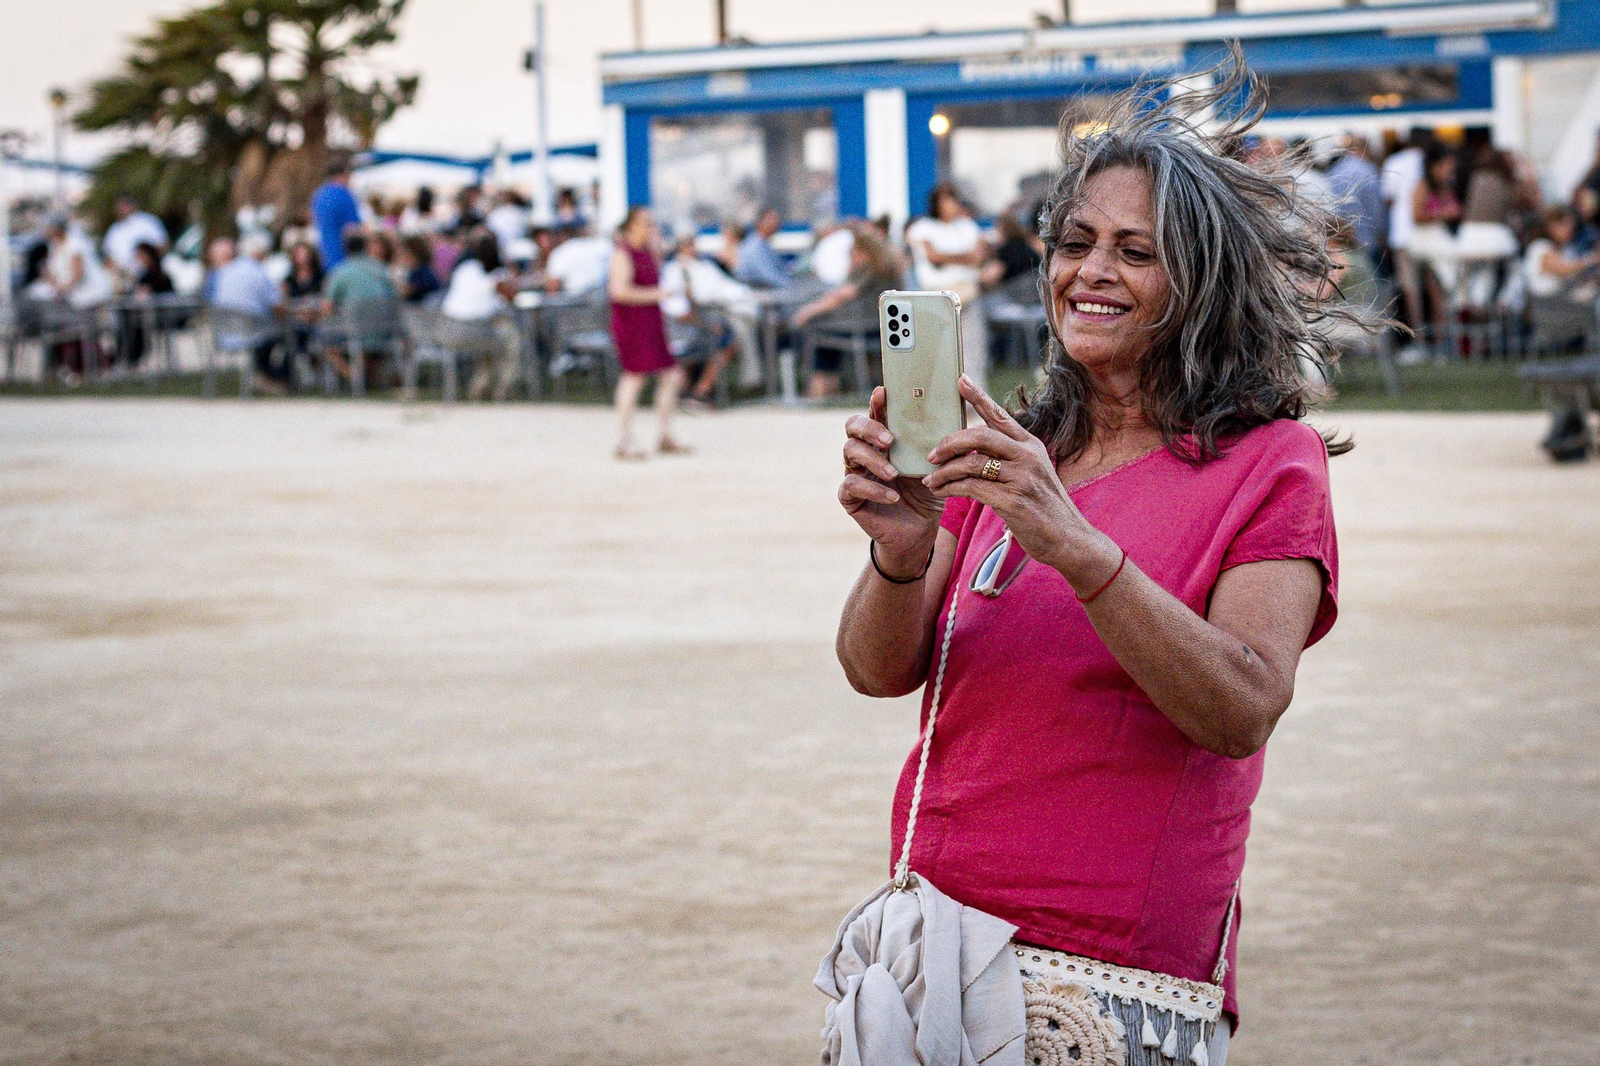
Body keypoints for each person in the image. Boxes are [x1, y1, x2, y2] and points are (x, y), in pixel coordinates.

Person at [834, 55, 1351, 1063]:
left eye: (1134, 251)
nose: (1091, 273)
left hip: (1106, 972)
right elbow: (874, 670)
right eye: (1075, 243)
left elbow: (1241, 706)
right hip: (931, 939)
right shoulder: (1020, 445)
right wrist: (900, 555)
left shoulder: (1267, 464)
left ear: (1201, 280)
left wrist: (1073, 547)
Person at [608, 206, 688, 460]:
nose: (650, 228)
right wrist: (656, 295)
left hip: (651, 322)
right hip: (632, 323)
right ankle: (624, 440)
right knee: (634, 378)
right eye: (645, 223)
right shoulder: (623, 254)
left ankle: (664, 435)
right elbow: (619, 292)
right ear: (631, 225)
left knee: (671, 375)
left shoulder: (647, 252)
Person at [791, 224, 903, 399]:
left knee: (818, 333)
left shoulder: (869, 269)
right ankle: (825, 388)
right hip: (882, 328)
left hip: (863, 329)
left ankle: (819, 388)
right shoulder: (889, 267)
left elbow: (841, 295)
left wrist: (806, 312)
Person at [907, 183, 990, 389]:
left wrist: (952, 258)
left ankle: (974, 395)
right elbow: (933, 257)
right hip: (936, 295)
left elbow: (979, 257)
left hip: (967, 293)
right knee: (938, 350)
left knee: (971, 348)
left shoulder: (967, 226)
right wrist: (965, 258)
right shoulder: (923, 227)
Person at [661, 233, 763, 393]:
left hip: (699, 326)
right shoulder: (674, 270)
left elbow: (725, 289)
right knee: (725, 341)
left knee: (726, 338)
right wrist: (707, 325)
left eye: (693, 244)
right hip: (686, 330)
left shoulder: (703, 266)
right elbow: (680, 312)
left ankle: (696, 391)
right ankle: (699, 392)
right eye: (688, 245)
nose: (692, 249)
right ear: (679, 247)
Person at [440, 229, 522, 401]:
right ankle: (503, 387)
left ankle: (479, 387)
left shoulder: (463, 269)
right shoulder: (496, 276)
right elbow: (513, 299)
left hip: (449, 332)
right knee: (511, 340)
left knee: (491, 340)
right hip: (476, 333)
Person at [207, 234, 289, 395]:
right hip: (252, 333)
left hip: (223, 334)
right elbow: (277, 306)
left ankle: (263, 375)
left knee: (269, 331)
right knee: (290, 333)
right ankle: (276, 379)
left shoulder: (221, 272)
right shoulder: (257, 271)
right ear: (260, 253)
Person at [321, 228, 399, 387]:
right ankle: (368, 377)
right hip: (385, 331)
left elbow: (327, 307)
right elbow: (395, 299)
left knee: (322, 340)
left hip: (355, 333)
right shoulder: (382, 269)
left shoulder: (341, 271)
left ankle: (353, 375)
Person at [1381, 129, 1429, 348]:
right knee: (1434, 289)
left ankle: (1418, 340)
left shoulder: (1395, 162)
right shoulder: (1428, 161)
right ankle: (1443, 339)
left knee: (1411, 291)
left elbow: (1388, 198)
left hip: (1402, 234)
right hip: (1429, 232)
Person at [1409, 145, 1463, 335]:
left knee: (1443, 295)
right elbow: (1416, 216)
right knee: (1436, 296)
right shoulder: (1422, 186)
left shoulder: (1447, 187)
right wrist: (1443, 214)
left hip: (1441, 238)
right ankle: (1440, 338)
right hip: (1427, 243)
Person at [1323, 135, 1384, 258]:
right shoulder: (1367, 170)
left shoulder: (1335, 170)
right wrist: (1382, 232)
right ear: (1365, 149)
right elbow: (1376, 206)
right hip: (1368, 237)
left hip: (1343, 238)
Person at [118, 242, 175, 368]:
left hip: (162, 317)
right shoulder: (142, 275)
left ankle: (131, 359)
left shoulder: (160, 275)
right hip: (144, 317)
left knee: (133, 323)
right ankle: (128, 358)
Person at [310, 160, 363, 270]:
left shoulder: (319, 195)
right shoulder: (344, 195)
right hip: (343, 257)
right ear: (342, 175)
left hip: (324, 256)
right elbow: (352, 228)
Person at [101, 195, 169, 280]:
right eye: (120, 206)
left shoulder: (148, 221)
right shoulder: (113, 230)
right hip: (124, 277)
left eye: (125, 205)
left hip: (150, 273)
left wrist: (150, 267)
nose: (122, 209)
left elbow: (162, 245)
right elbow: (108, 257)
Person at [543, 225, 612, 294]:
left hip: (574, 300)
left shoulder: (560, 252)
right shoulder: (602, 245)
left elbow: (553, 285)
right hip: (600, 298)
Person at [734, 207, 792, 289]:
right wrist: (793, 286)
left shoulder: (763, 244)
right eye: (772, 220)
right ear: (761, 222)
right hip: (756, 293)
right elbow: (770, 276)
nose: (776, 224)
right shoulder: (755, 247)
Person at [397, 235, 442, 304]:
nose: (402, 255)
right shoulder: (416, 271)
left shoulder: (423, 272)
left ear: (413, 253)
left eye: (404, 251)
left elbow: (405, 292)